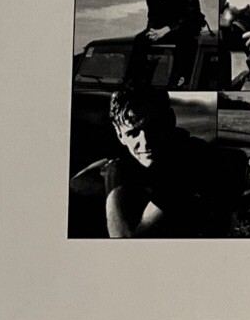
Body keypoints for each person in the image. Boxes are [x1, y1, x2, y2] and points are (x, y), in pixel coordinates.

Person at [70, 87, 240, 237]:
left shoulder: (189, 160)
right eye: (133, 134)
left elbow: (126, 243)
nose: (145, 143)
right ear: (119, 135)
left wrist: (114, 185)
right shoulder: (139, 156)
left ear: (170, 120)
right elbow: (77, 183)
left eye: (154, 129)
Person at [126, 0, 207, 88]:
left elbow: (191, 15)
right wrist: (151, 31)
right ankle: (133, 82)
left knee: (184, 42)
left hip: (187, 26)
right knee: (140, 40)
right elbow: (153, 15)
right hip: (163, 27)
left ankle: (178, 81)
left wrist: (165, 30)